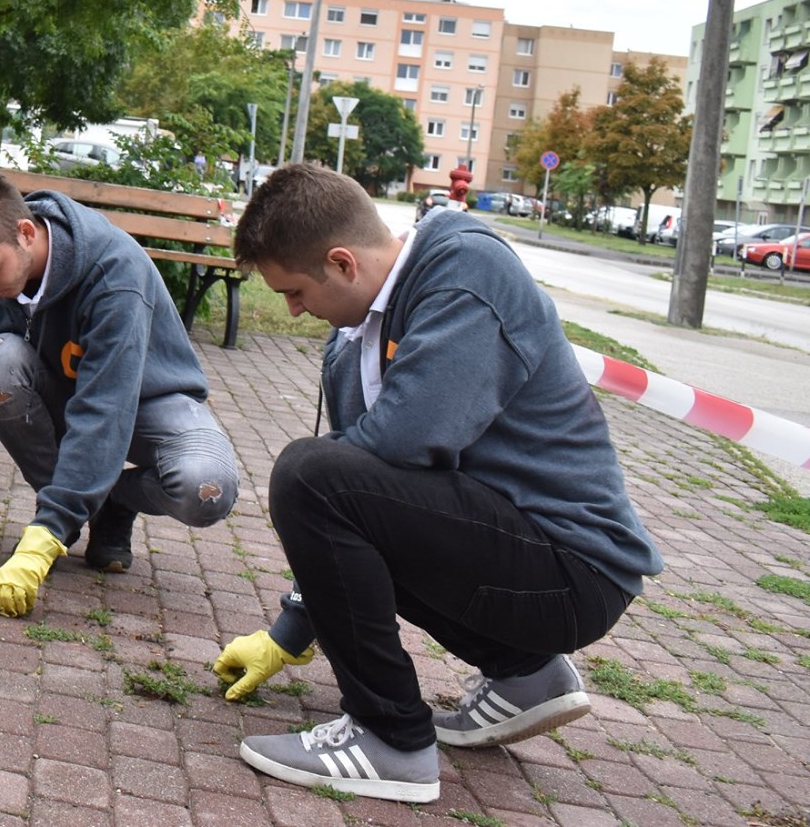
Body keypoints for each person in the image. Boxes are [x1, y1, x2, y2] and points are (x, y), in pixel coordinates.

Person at [214, 162, 661, 804]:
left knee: (308, 474)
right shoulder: (353, 344)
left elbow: (397, 448)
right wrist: (289, 634)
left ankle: (388, 738)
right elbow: (369, 511)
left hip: (576, 571)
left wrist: (319, 496)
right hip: (525, 558)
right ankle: (526, 675)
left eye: (294, 292)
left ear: (343, 264)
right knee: (327, 480)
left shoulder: (466, 274)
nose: (292, 309)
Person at [0, 168, 240, 617]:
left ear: (25, 232)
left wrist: (46, 530)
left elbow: (104, 408)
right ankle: (81, 508)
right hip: (63, 397)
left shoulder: (114, 274)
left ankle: (108, 502)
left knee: (207, 488)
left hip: (151, 402)